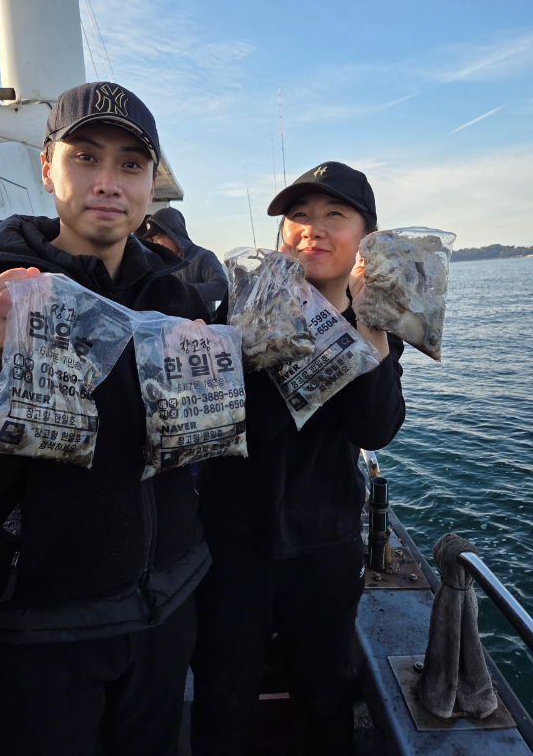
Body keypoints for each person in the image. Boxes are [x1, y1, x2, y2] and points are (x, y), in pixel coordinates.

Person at [0, 81, 212, 756]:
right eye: (85, 157)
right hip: (40, 633)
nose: (108, 182)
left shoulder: (176, 299)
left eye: (130, 164)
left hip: (168, 607)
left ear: (149, 183)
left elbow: (196, 453)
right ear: (47, 167)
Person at [190, 162, 406, 755]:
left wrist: (369, 329)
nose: (313, 227)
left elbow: (375, 428)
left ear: (367, 238)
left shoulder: (380, 322)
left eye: (334, 215)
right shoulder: (243, 308)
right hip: (232, 535)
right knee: (224, 687)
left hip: (326, 540)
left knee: (324, 689)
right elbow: (235, 421)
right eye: (299, 216)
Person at [138, 207, 227, 306]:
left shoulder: (204, 257)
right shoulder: (159, 264)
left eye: (158, 239)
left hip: (200, 316)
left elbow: (223, 288)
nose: (156, 244)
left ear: (172, 233)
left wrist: (180, 289)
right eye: (154, 240)